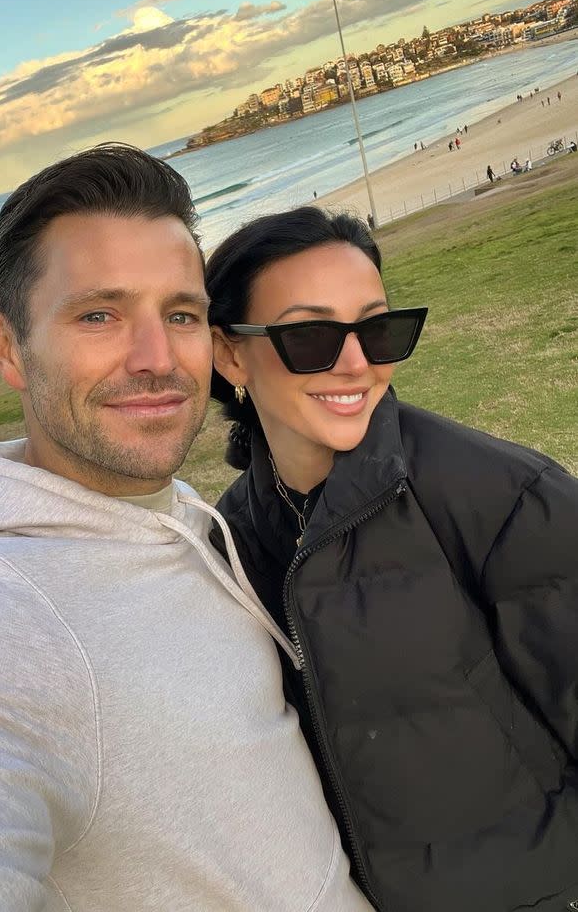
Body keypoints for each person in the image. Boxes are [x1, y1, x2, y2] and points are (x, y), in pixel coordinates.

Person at [0, 146, 369, 912]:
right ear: (9, 347)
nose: (156, 360)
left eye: (179, 314)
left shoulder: (182, 520)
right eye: (98, 314)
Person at [205, 205, 578, 912]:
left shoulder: (500, 497)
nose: (355, 363)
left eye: (376, 329)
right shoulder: (228, 539)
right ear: (229, 354)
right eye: (310, 334)